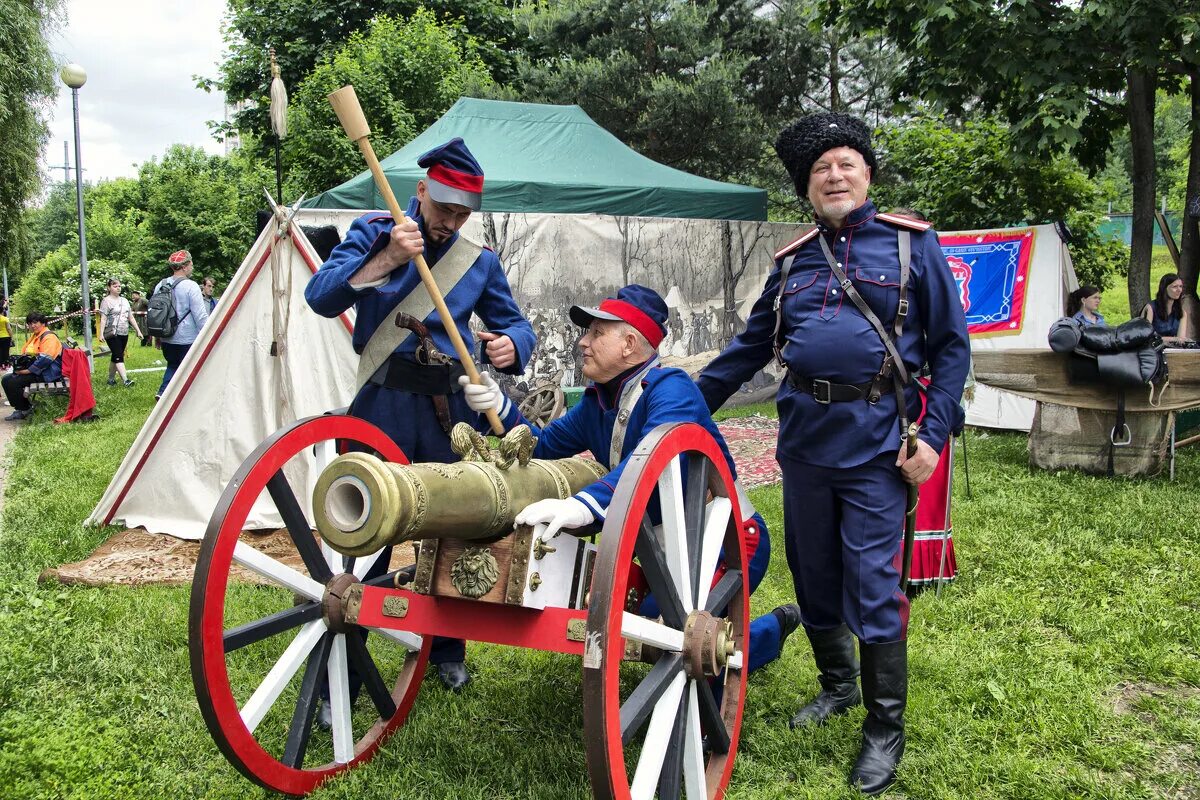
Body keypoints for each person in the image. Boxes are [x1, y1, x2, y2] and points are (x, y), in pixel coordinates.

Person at [694, 113, 970, 795]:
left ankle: (884, 728)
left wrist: (932, 437)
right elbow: (752, 347)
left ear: (867, 174)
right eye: (821, 169)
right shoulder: (793, 260)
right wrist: (688, 400)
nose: (835, 174)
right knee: (812, 572)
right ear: (807, 187)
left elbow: (953, 350)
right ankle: (838, 686)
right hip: (806, 442)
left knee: (873, 586)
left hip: (879, 441)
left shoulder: (913, 248)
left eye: (846, 162)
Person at [461, 285, 802, 677]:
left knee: (679, 640)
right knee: (640, 622)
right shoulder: (596, 403)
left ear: (628, 343)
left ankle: (768, 633)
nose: (582, 342)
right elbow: (542, 445)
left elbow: (648, 461)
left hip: (729, 544)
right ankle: (767, 631)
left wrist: (583, 504)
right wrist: (497, 406)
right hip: (667, 551)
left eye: (595, 333)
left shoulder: (672, 389)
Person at [306, 137, 536, 698]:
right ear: (421, 191)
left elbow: (518, 326)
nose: (450, 223)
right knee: (369, 530)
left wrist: (510, 346)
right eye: (443, 209)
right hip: (382, 405)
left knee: (452, 526)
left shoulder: (478, 262)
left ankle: (447, 647)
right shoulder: (372, 231)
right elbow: (321, 296)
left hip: (451, 412)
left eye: (462, 214)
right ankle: (350, 659)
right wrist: (386, 257)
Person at [154, 250, 210, 399]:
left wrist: (157, 336)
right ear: (184, 266)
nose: (192, 267)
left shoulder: (161, 284)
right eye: (191, 264)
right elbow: (200, 315)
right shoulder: (191, 286)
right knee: (189, 369)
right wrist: (207, 334)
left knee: (172, 365)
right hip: (187, 337)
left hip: (166, 336)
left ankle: (163, 392)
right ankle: (187, 399)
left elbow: (156, 312)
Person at [3, 312, 64, 420]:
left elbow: (46, 359)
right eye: (30, 323)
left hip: (48, 374)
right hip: (40, 371)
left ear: (43, 323)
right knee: (8, 378)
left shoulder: (49, 337)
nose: (32, 326)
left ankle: (24, 409)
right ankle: (22, 407)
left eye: (35, 323)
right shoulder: (36, 335)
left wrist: (27, 371)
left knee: (11, 381)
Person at [99, 277, 141, 387]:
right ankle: (126, 380)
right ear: (109, 287)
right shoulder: (106, 301)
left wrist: (138, 331)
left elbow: (130, 317)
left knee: (116, 356)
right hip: (112, 333)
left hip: (124, 332)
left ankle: (111, 379)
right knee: (118, 356)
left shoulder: (125, 301)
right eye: (115, 286)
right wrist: (100, 333)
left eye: (119, 286)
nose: (118, 288)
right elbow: (103, 318)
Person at [1141, 273, 1191, 345]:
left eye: (1180, 286)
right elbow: (1146, 337)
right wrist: (1174, 339)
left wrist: (1180, 340)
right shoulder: (1150, 308)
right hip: (1151, 351)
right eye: (1174, 287)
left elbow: (1181, 340)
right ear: (1164, 288)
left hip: (1171, 350)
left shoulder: (1182, 313)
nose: (1179, 290)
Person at [0, 303, 11, 370]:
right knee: (6, 351)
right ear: (2, 311)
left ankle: (1, 365)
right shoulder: (5, 319)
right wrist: (11, 336)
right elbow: (8, 328)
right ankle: (6, 365)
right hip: (6, 336)